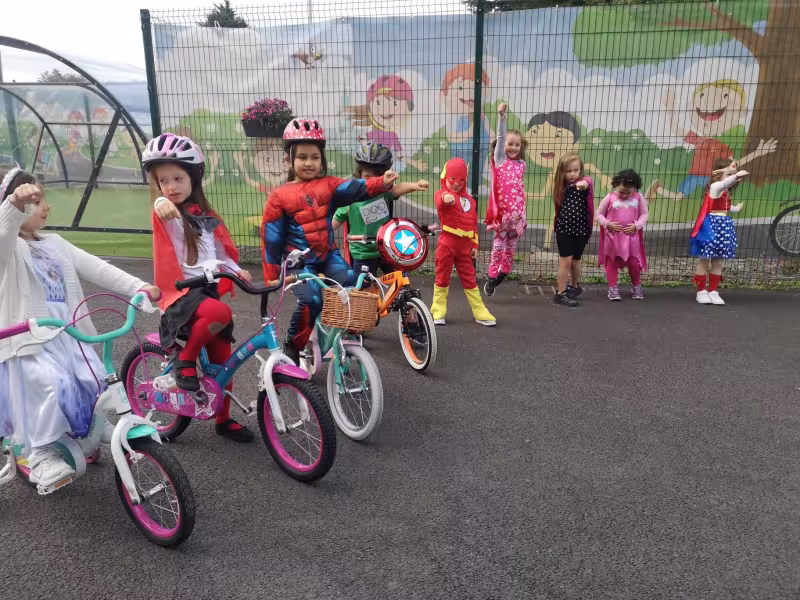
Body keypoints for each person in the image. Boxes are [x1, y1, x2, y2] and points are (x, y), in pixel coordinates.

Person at [0, 167, 160, 487]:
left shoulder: (56, 242)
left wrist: (138, 287)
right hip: (29, 338)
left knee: (91, 379)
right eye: (38, 200)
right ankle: (42, 454)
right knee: (50, 384)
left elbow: (96, 267)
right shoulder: (10, 247)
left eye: (44, 199)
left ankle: (95, 428)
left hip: (66, 332)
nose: (45, 207)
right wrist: (13, 206)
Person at [144, 132, 254, 443]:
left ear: (195, 179)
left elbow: (219, 256)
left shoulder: (204, 219)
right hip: (182, 295)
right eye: (163, 181)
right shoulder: (167, 214)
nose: (171, 186)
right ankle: (185, 360)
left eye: (178, 178)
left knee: (225, 363)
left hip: (205, 292)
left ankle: (223, 420)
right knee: (221, 311)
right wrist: (162, 202)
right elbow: (160, 208)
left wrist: (237, 271)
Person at [261, 119, 399, 361]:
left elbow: (355, 187)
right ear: (289, 159)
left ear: (322, 159)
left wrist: (382, 183)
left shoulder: (329, 185)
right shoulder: (279, 196)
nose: (309, 163)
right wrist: (272, 275)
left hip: (327, 256)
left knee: (354, 283)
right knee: (313, 299)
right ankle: (294, 344)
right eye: (302, 157)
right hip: (299, 264)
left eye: (315, 157)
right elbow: (271, 237)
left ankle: (344, 333)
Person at [332, 140, 429, 275]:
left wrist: (415, 185)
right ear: (359, 175)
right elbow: (332, 224)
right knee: (363, 291)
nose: (372, 181)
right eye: (367, 177)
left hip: (387, 249)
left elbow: (398, 188)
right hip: (362, 254)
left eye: (376, 177)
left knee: (401, 281)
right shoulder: (350, 200)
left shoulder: (383, 194)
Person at [431, 158, 496, 327]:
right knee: (442, 276)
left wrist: (474, 245)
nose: (457, 184)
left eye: (461, 180)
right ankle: (438, 309)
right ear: (445, 177)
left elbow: (473, 223)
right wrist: (446, 197)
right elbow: (439, 199)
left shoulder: (470, 200)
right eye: (452, 179)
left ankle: (479, 310)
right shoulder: (441, 194)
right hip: (446, 243)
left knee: (470, 278)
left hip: (464, 246)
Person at [689, 157, 748, 306]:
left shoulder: (725, 192)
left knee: (718, 261)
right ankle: (701, 291)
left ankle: (714, 291)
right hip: (710, 227)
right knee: (704, 260)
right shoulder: (715, 187)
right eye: (728, 174)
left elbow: (726, 207)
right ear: (717, 175)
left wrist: (736, 208)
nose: (732, 179)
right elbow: (723, 184)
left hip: (724, 226)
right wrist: (736, 175)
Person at [484, 103, 527, 296]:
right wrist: (502, 118)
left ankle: (503, 273)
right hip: (502, 216)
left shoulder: (521, 164)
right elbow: (500, 139)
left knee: (510, 248)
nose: (513, 147)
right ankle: (492, 276)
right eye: (511, 144)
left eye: (517, 144)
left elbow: (520, 190)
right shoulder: (500, 160)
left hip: (517, 216)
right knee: (499, 245)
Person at [595, 170, 656, 301]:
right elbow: (598, 214)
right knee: (612, 262)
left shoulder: (639, 197)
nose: (625, 195)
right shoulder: (610, 197)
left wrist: (637, 225)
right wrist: (607, 224)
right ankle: (613, 288)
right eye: (621, 192)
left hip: (631, 238)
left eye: (629, 192)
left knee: (633, 262)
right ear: (616, 185)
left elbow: (645, 214)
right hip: (613, 238)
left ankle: (637, 286)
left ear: (635, 188)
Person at [552, 153, 594, 307]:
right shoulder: (561, 187)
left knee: (576, 261)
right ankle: (560, 293)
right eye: (568, 171)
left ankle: (574, 287)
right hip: (564, 229)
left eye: (575, 170)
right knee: (566, 261)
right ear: (562, 172)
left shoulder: (584, 183)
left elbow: (588, 182)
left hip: (581, 229)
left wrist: (583, 183)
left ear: (580, 170)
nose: (572, 174)